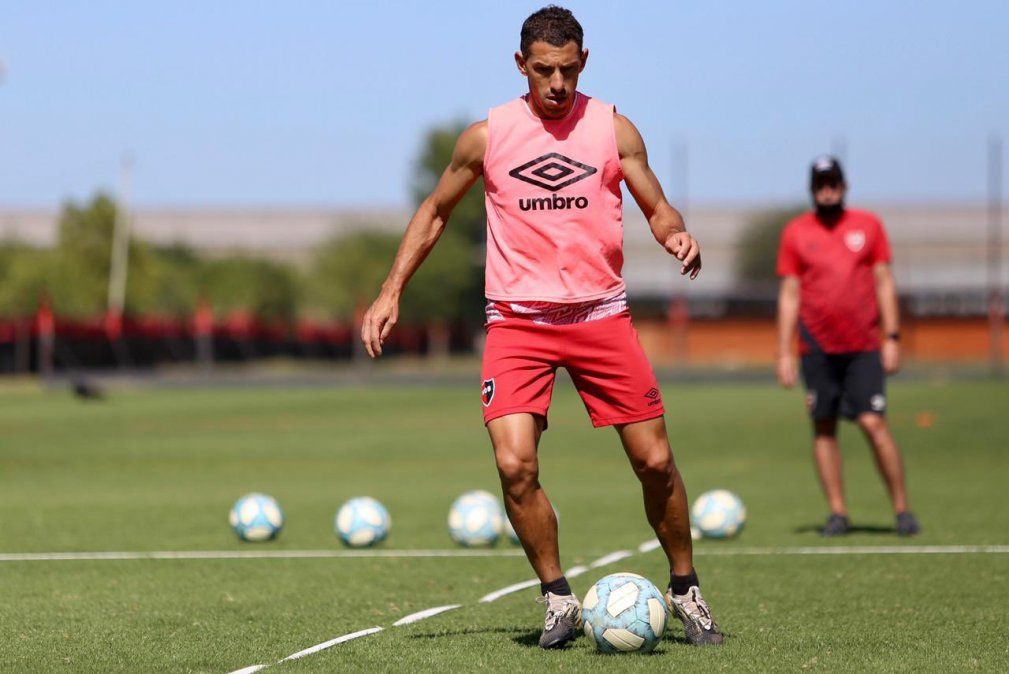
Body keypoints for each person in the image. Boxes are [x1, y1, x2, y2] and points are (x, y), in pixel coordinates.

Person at [361, 5, 722, 649]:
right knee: (514, 465)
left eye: (567, 70)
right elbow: (436, 211)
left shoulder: (613, 130)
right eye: (543, 71)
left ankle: (686, 586)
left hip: (600, 315)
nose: (556, 84)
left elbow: (657, 207)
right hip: (517, 324)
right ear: (521, 64)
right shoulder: (487, 136)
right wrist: (391, 290)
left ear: (584, 62)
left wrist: (677, 234)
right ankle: (558, 597)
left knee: (656, 462)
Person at [776, 156, 921, 537]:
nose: (828, 188)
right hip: (816, 346)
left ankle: (903, 510)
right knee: (823, 428)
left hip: (864, 345)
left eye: (833, 182)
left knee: (874, 423)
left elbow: (884, 281)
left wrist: (892, 336)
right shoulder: (795, 232)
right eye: (821, 183)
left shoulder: (868, 225)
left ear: (844, 185)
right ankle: (838, 513)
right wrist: (784, 351)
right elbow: (790, 293)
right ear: (812, 188)